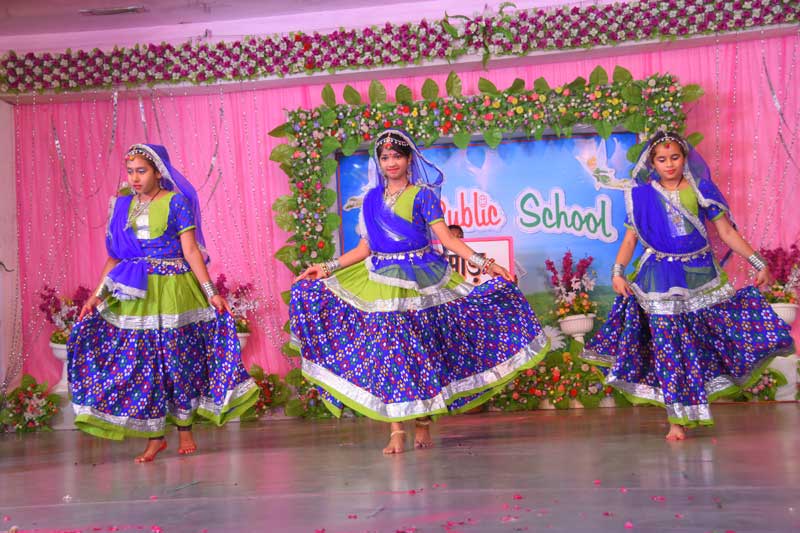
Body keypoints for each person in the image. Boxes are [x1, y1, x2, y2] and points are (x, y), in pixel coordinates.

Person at [291, 129, 549, 454]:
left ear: (408, 159)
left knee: (424, 349)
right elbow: (364, 248)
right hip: (381, 281)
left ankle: (424, 422)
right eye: (385, 157)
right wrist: (327, 267)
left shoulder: (423, 195)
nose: (391, 162)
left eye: (397, 156)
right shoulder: (371, 200)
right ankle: (397, 430)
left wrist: (486, 264)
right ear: (379, 162)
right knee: (391, 351)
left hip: (422, 277)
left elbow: (448, 239)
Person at [581, 131, 795, 441]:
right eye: (662, 159)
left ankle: (697, 407)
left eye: (675, 157)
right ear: (652, 163)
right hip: (658, 279)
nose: (669, 164)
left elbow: (726, 233)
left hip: (699, 277)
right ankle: (676, 421)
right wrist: (617, 272)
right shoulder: (642, 196)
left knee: (703, 343)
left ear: (685, 158)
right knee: (668, 349)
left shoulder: (701, 189)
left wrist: (759, 262)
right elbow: (630, 239)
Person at [68, 144, 258, 462]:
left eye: (142, 171)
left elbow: (191, 251)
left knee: (176, 358)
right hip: (135, 292)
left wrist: (211, 291)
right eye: (131, 172)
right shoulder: (122, 206)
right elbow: (115, 257)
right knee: (143, 363)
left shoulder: (175, 202)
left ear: (158, 172)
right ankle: (155, 437)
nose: (135, 178)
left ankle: (184, 430)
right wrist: (97, 295)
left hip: (173, 290)